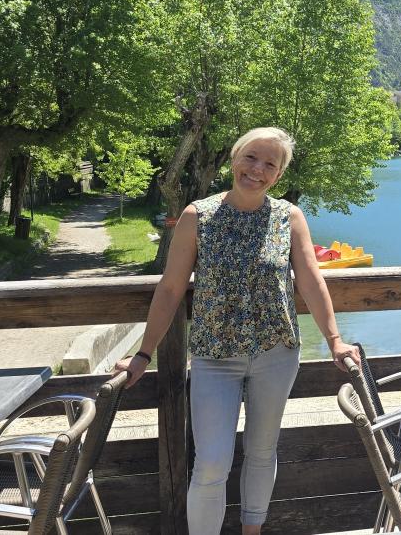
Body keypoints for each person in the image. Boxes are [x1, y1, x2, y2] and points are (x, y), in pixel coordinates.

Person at [115, 127, 360, 535]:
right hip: (214, 357)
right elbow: (171, 288)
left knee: (262, 451)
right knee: (211, 461)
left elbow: (311, 281)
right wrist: (144, 354)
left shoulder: (289, 218)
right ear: (234, 158)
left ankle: (252, 530)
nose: (257, 169)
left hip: (276, 354)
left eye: (270, 164)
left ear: (278, 175)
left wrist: (334, 340)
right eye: (251, 157)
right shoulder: (198, 216)